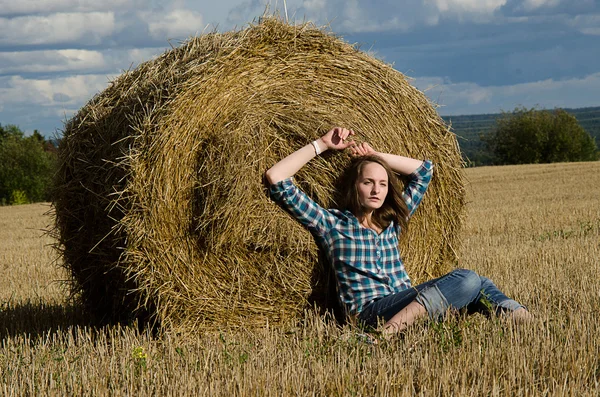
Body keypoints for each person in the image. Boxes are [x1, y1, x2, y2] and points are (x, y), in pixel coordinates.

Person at [265, 127, 531, 337]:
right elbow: (277, 177)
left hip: (407, 302)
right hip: (370, 312)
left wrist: (377, 157)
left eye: (382, 183)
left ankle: (524, 320)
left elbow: (424, 172)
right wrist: (322, 144)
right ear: (353, 187)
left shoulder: (392, 222)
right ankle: (386, 334)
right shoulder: (331, 224)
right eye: (368, 182)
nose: (376, 190)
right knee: (468, 280)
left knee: (477, 283)